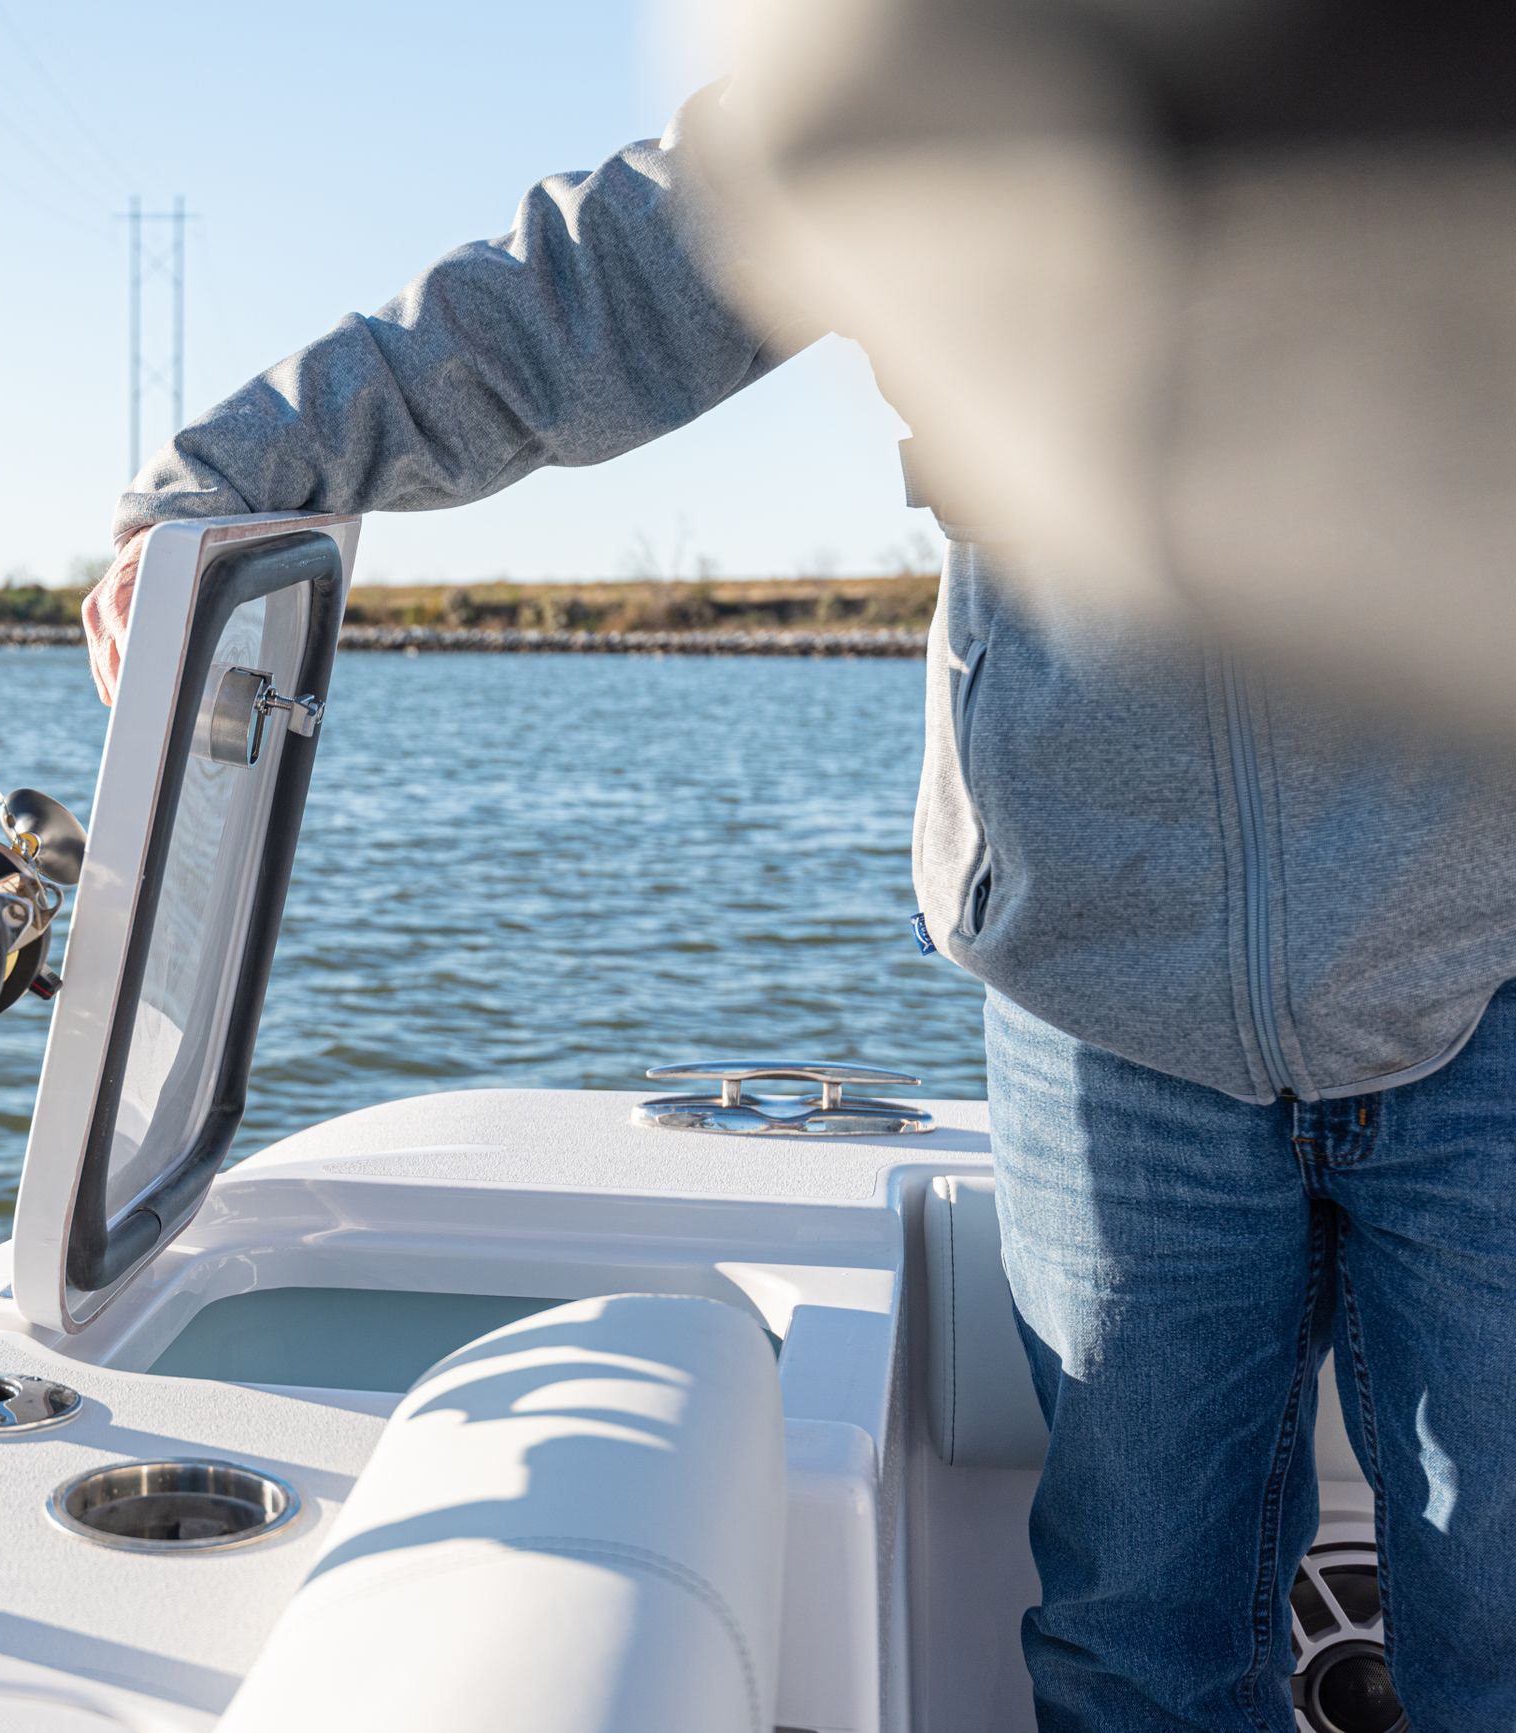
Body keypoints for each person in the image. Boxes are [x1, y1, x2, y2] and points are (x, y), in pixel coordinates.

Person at [82, 89, 1516, 1732]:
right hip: (1107, 1001)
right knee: (1141, 1651)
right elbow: (596, 285)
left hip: (1488, 965)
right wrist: (231, 475)